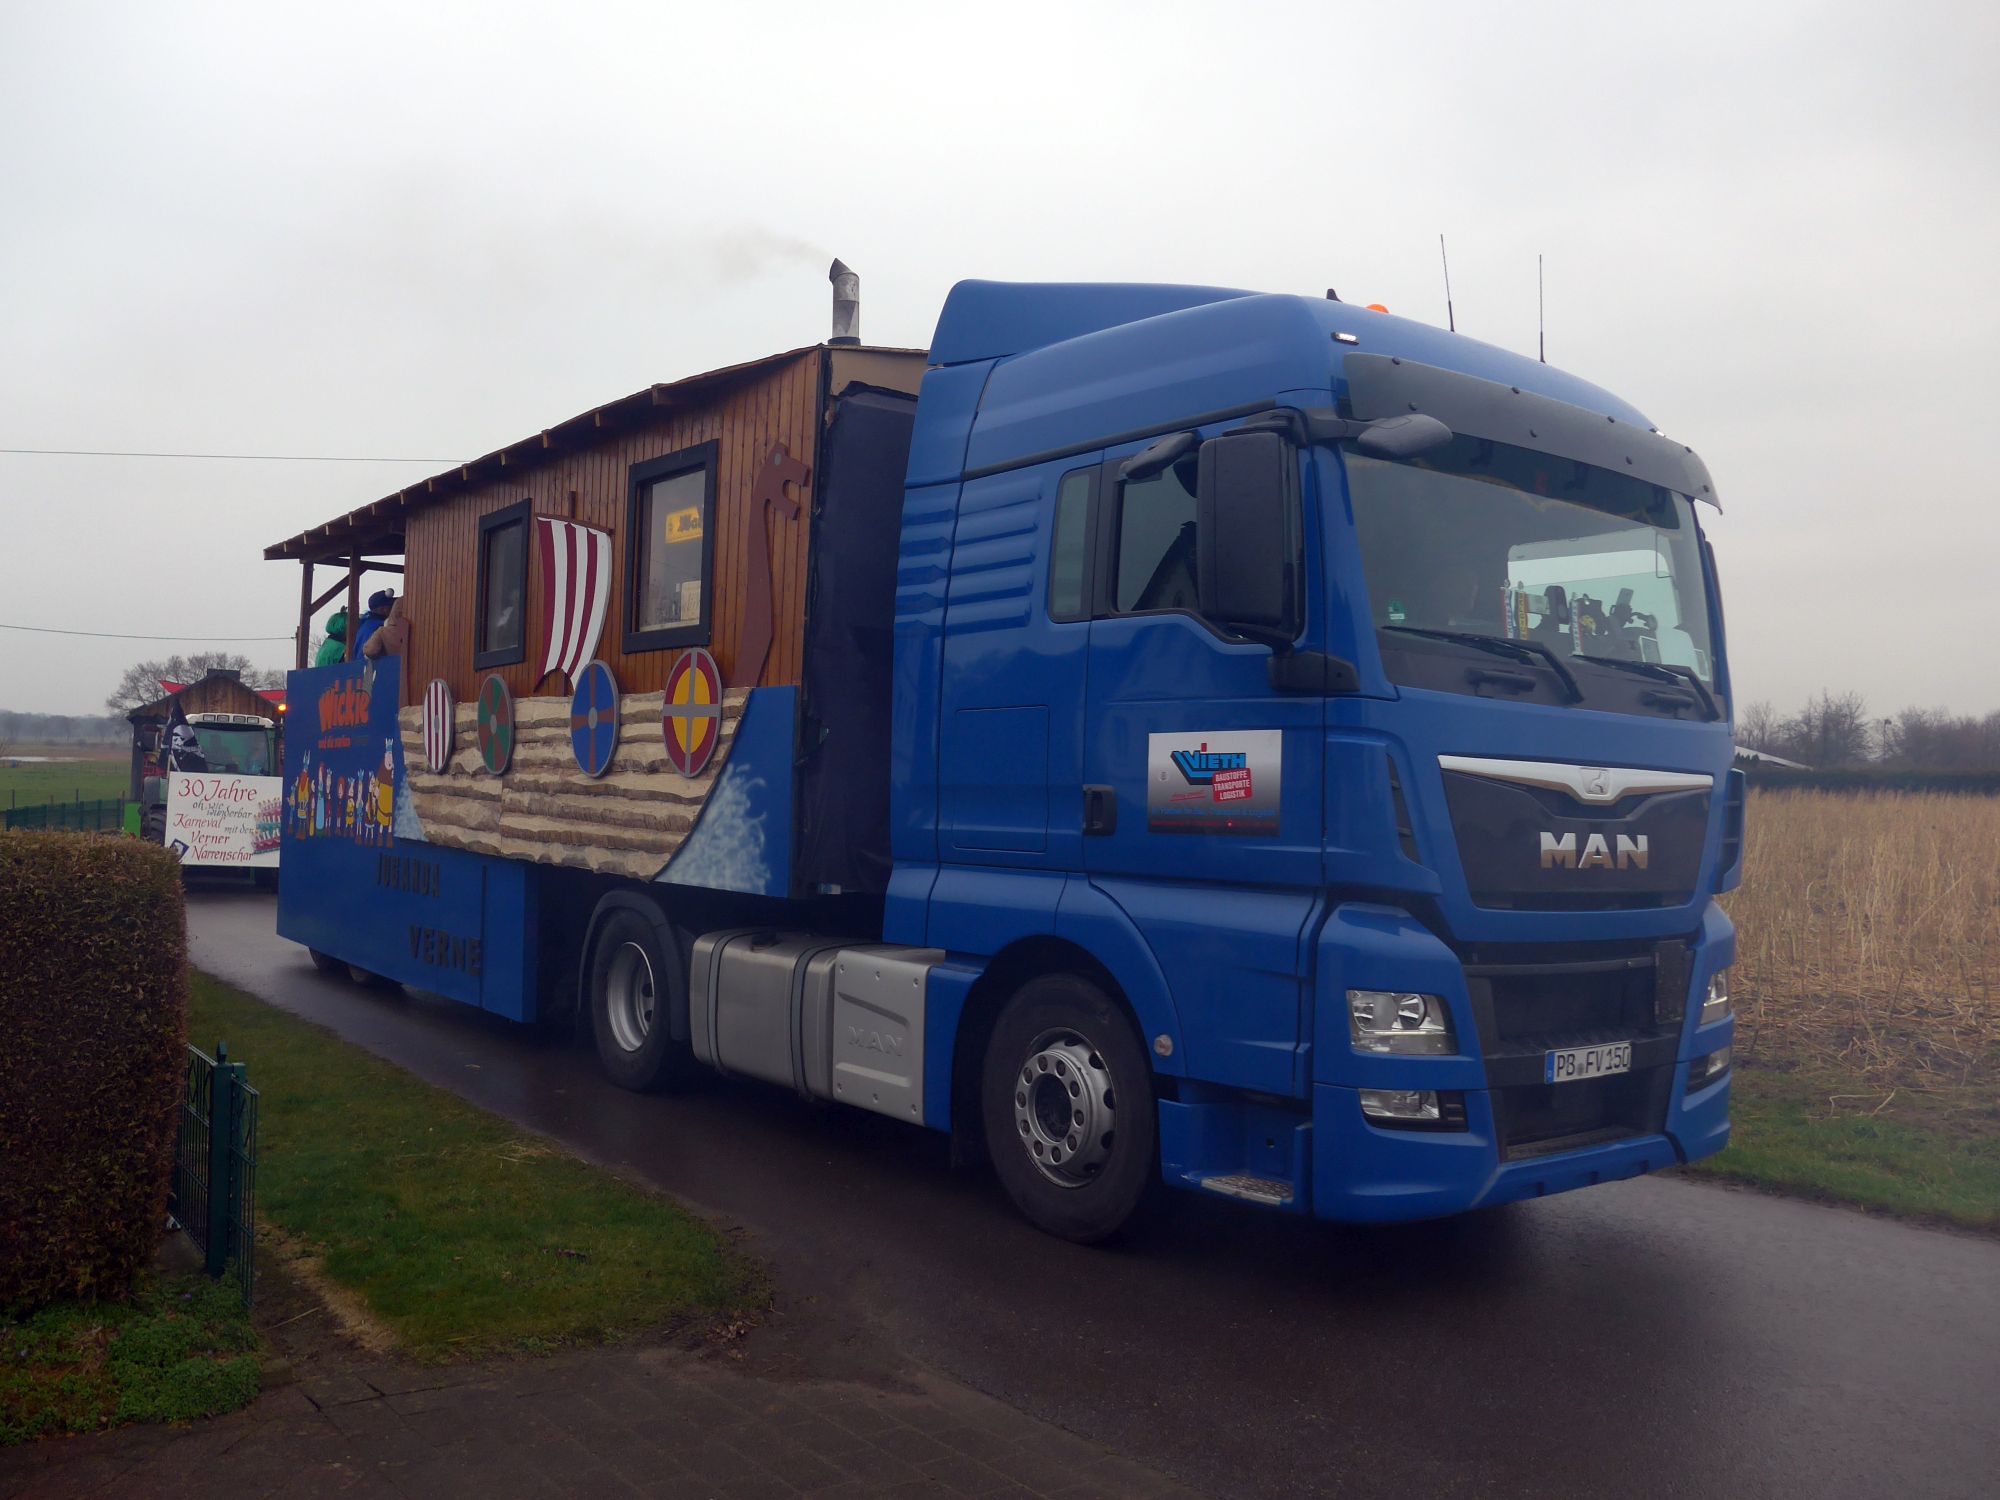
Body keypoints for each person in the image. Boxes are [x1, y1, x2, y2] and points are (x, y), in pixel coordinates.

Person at [351, 589, 396, 656]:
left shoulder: (365, 624)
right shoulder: (381, 626)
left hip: (359, 662)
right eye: (390, 606)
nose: (393, 608)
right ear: (382, 609)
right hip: (370, 662)